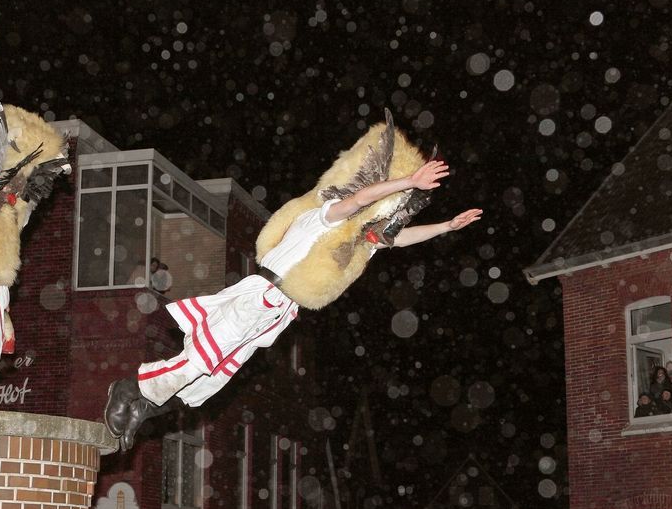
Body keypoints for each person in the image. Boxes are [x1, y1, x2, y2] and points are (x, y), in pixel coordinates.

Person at [104, 153, 481, 450]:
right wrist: (408, 182)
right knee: (201, 359)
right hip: (259, 296)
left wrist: (446, 226)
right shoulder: (325, 220)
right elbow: (359, 200)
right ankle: (128, 388)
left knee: (206, 384)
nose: (378, 231)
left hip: (275, 317)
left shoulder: (351, 248)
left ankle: (145, 409)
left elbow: (395, 240)